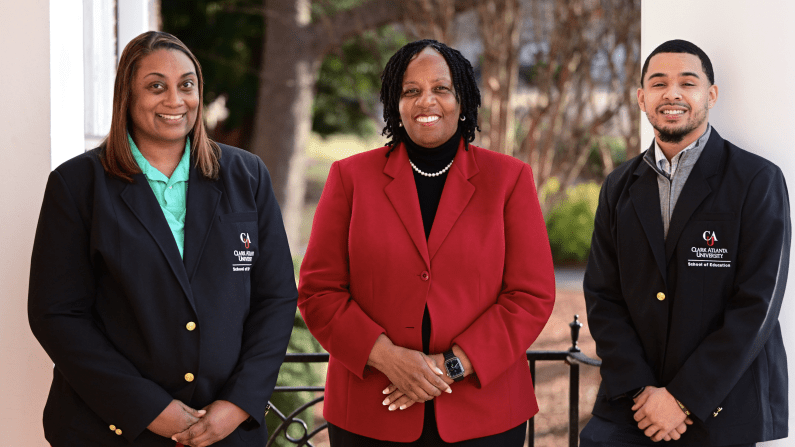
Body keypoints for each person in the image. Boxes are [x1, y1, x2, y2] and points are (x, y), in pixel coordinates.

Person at [28, 31, 297, 447]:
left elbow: (276, 298)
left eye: (186, 85)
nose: (176, 100)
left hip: (225, 431)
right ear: (127, 97)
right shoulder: (76, 185)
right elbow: (58, 315)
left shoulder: (248, 175)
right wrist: (147, 408)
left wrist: (240, 403)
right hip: (109, 430)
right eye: (156, 86)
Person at [297, 39, 555, 446]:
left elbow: (530, 295)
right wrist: (389, 359)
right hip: (372, 410)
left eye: (441, 89)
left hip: (484, 413)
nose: (425, 101)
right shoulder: (350, 179)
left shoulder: (508, 180)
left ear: (463, 99)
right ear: (394, 104)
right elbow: (319, 292)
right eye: (411, 91)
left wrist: (450, 367)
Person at [581, 39, 790, 446]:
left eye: (687, 83)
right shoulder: (618, 186)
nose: (672, 93)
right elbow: (602, 297)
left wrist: (683, 399)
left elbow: (757, 305)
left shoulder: (756, 180)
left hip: (721, 409)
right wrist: (642, 391)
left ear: (710, 95)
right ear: (642, 99)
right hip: (631, 410)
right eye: (658, 84)